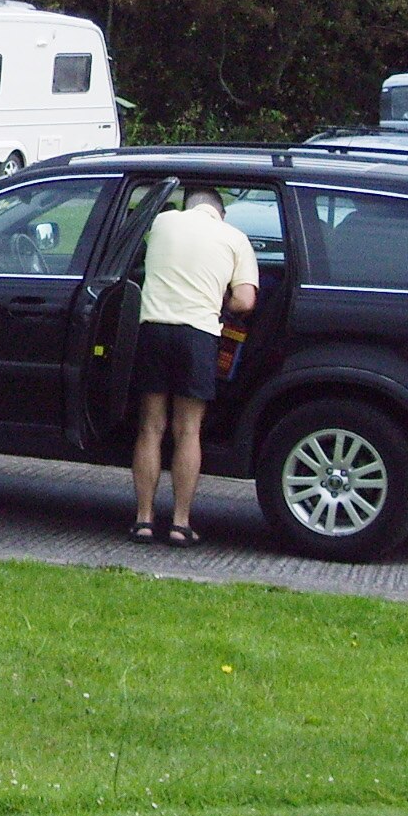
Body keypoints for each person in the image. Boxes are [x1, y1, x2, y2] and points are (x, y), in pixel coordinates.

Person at [129, 187, 258, 547]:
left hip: (153, 329)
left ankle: (143, 519)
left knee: (151, 427)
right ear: (221, 212)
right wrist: (222, 302)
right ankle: (180, 523)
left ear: (188, 206)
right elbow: (245, 300)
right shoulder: (234, 238)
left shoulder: (162, 221)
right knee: (188, 431)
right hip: (198, 336)